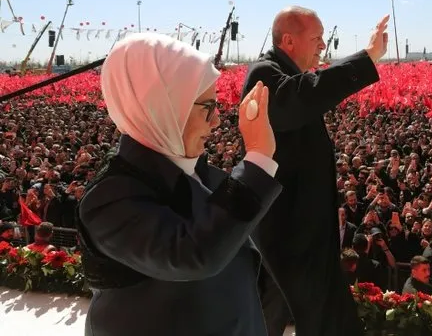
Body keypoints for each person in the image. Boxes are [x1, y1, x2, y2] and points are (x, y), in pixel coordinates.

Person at [76, 33, 281, 336]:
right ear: (162, 105)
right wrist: (259, 159)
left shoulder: (204, 174)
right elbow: (194, 255)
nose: (216, 122)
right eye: (207, 107)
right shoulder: (109, 197)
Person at [242, 6, 389, 336]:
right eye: (317, 38)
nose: (323, 45)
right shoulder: (265, 74)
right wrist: (366, 57)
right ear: (289, 41)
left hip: (305, 235)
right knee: (277, 319)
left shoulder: (285, 76)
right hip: (287, 236)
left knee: (327, 320)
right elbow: (303, 96)